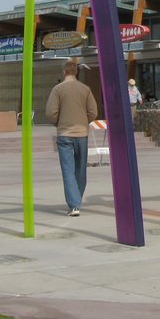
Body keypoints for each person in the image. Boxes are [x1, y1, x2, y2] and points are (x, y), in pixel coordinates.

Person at [46, 61, 98, 217]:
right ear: (76, 72)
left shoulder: (57, 89)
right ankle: (77, 201)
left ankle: (74, 205)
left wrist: (59, 122)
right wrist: (83, 121)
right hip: (82, 134)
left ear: (64, 72)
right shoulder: (85, 89)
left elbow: (50, 112)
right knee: (80, 170)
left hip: (64, 134)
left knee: (68, 171)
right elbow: (93, 112)